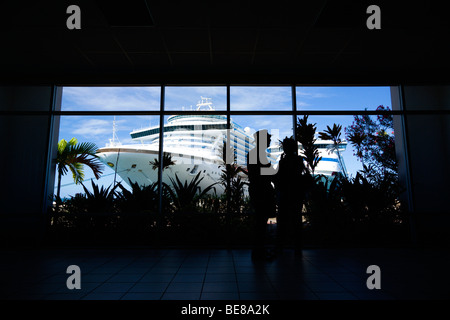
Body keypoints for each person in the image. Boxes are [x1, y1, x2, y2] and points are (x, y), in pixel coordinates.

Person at [246, 130, 277, 261]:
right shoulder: (255, 154)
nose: (270, 142)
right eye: (268, 139)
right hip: (261, 191)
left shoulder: (257, 154)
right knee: (260, 222)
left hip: (259, 190)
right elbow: (257, 173)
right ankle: (259, 252)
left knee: (260, 222)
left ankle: (259, 251)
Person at [274, 136, 306, 255]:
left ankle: (280, 246)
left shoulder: (284, 161)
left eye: (285, 147)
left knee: (282, 221)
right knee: (296, 221)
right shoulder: (299, 160)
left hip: (285, 194)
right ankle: (297, 248)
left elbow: (280, 178)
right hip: (296, 194)